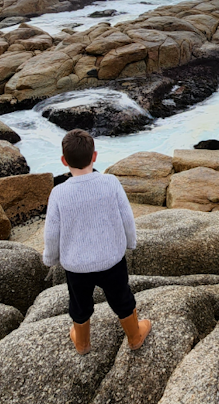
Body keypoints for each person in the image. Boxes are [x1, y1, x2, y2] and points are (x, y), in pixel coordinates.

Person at [43, 128, 151, 354]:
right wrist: (130, 242)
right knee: (122, 297)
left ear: (64, 161)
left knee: (79, 304)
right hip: (111, 259)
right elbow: (127, 218)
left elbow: (52, 232)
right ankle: (134, 336)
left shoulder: (59, 193)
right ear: (94, 156)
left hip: (76, 265)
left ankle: (82, 343)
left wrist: (51, 258)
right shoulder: (110, 182)